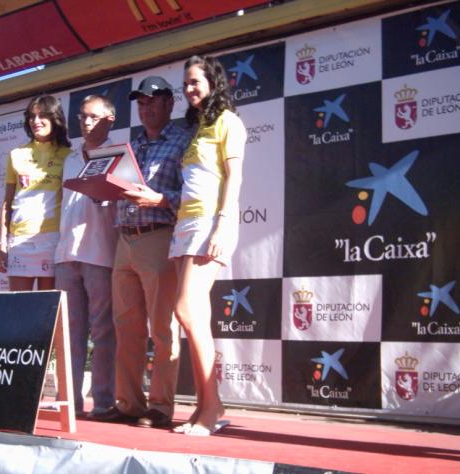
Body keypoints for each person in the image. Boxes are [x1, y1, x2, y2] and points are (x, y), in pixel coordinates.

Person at [90, 77, 191, 428]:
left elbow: (197, 196)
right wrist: (100, 187)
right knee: (127, 328)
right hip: (124, 239)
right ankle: (129, 403)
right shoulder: (131, 147)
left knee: (162, 328)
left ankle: (160, 406)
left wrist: (160, 199)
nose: (145, 108)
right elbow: (116, 192)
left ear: (169, 104)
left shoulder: (184, 141)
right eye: (141, 103)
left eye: (152, 101)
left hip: (159, 236)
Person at [169, 55, 246, 436]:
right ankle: (206, 407)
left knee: (186, 309)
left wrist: (223, 224)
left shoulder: (228, 121)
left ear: (214, 82)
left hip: (210, 223)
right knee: (194, 316)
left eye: (195, 82)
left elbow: (234, 176)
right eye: (185, 83)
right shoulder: (198, 126)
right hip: (186, 224)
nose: (189, 89)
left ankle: (211, 408)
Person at [54, 95, 118, 418]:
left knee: (104, 331)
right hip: (66, 254)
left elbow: (124, 202)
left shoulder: (118, 154)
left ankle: (104, 402)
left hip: (100, 252)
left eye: (93, 116)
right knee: (69, 333)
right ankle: (69, 401)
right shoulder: (69, 159)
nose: (86, 122)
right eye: (82, 116)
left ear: (110, 119)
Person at [0, 94, 71, 290]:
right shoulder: (16, 154)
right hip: (20, 239)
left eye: (42, 115)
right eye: (31, 116)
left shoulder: (69, 155)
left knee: (50, 305)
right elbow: (8, 202)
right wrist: (2, 243)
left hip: (54, 238)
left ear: (55, 118)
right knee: (20, 305)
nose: (35, 121)